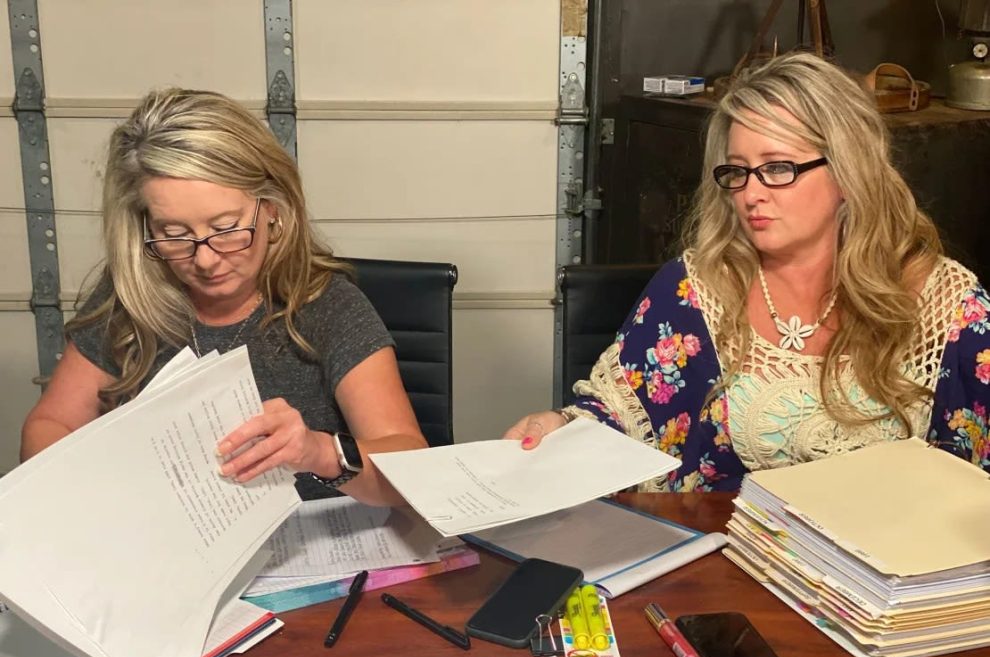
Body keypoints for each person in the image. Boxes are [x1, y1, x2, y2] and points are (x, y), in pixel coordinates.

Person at [505, 52, 990, 492]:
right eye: (737, 171)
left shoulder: (945, 304)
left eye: (778, 168)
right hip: (736, 569)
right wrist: (560, 427)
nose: (750, 194)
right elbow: (622, 417)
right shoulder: (695, 289)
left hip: (890, 578)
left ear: (848, 171)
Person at [20, 88, 426, 506]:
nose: (206, 260)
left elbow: (412, 465)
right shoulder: (131, 294)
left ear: (272, 208)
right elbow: (50, 423)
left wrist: (320, 452)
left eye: (227, 228)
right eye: (174, 235)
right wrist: (91, 498)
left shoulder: (327, 305)